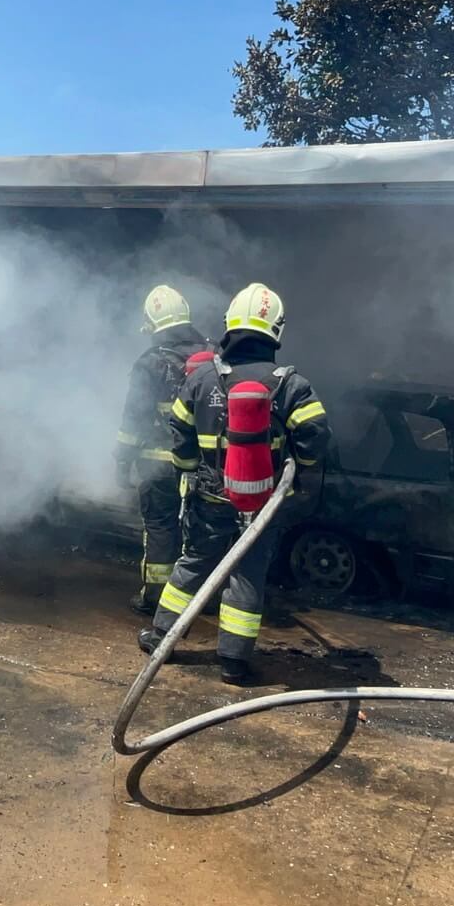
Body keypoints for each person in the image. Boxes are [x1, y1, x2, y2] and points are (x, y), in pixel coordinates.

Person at [138, 282, 331, 686]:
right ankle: (233, 660)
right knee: (247, 573)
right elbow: (314, 431)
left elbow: (179, 428)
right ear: (275, 328)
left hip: (209, 493)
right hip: (262, 501)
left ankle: (161, 636)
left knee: (196, 560)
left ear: (229, 325)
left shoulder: (204, 377)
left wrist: (190, 467)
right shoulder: (290, 383)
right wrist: (304, 475)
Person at [115, 285, 212, 615]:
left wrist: (121, 462)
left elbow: (133, 421)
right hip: (207, 465)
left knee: (160, 528)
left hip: (159, 466)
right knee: (203, 531)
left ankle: (155, 597)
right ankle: (201, 597)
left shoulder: (150, 364)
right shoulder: (213, 358)